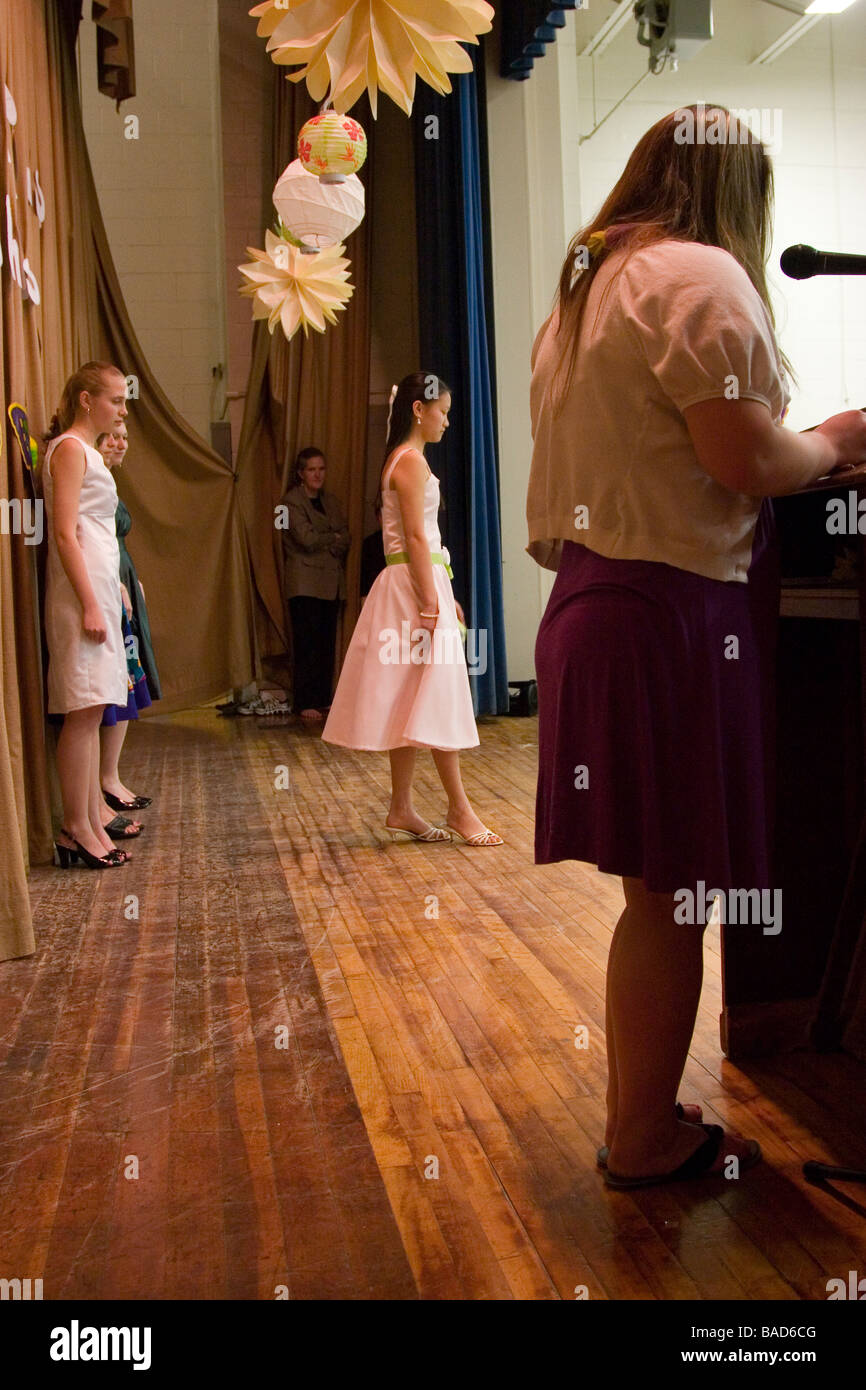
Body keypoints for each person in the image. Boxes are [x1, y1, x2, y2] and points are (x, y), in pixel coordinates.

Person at [527, 105, 866, 1187]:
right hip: (666, 613)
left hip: (597, 597)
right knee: (673, 895)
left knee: (654, 895)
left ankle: (641, 1109)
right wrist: (834, 440)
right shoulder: (694, 275)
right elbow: (739, 457)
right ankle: (639, 1139)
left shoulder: (587, 290)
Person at [323, 373, 502, 847]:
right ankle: (460, 809)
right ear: (419, 410)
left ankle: (402, 806)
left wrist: (443, 592)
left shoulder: (407, 461)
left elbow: (426, 542)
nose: (447, 420)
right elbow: (417, 538)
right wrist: (430, 599)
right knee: (439, 692)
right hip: (410, 589)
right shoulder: (410, 464)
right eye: (442, 411)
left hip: (418, 583)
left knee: (413, 696)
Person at [42, 362, 132, 869]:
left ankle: (91, 818)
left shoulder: (87, 452)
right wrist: (91, 602)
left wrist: (112, 586)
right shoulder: (71, 449)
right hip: (79, 598)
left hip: (97, 588)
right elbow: (65, 533)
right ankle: (75, 826)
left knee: (95, 707)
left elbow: (95, 531)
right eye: (115, 401)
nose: (121, 410)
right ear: (84, 399)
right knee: (81, 711)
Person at [94, 424, 159, 832]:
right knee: (113, 685)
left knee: (129, 682)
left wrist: (131, 581)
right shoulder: (90, 479)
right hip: (106, 583)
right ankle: (104, 781)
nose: (120, 443)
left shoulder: (109, 482)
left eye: (125, 436)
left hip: (122, 578)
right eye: (111, 436)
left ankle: (111, 775)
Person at [281, 447, 350, 721]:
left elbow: (347, 536)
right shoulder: (288, 503)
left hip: (330, 583)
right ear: (300, 473)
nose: (318, 474)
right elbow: (305, 539)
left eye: (321, 468)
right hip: (305, 583)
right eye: (312, 469)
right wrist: (331, 537)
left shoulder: (331, 501)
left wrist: (330, 537)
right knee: (306, 644)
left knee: (325, 645)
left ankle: (322, 699)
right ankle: (305, 700)